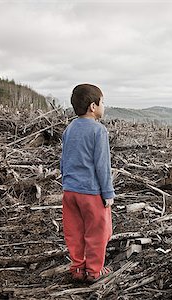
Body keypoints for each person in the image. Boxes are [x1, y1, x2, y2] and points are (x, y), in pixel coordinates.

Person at [60, 83, 115, 283]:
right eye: (103, 102)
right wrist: (108, 193)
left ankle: (77, 268)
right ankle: (93, 271)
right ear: (93, 106)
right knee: (98, 232)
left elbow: (64, 159)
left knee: (74, 232)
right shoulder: (98, 131)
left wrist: (66, 182)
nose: (104, 106)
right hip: (91, 193)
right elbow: (102, 165)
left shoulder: (69, 129)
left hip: (70, 191)